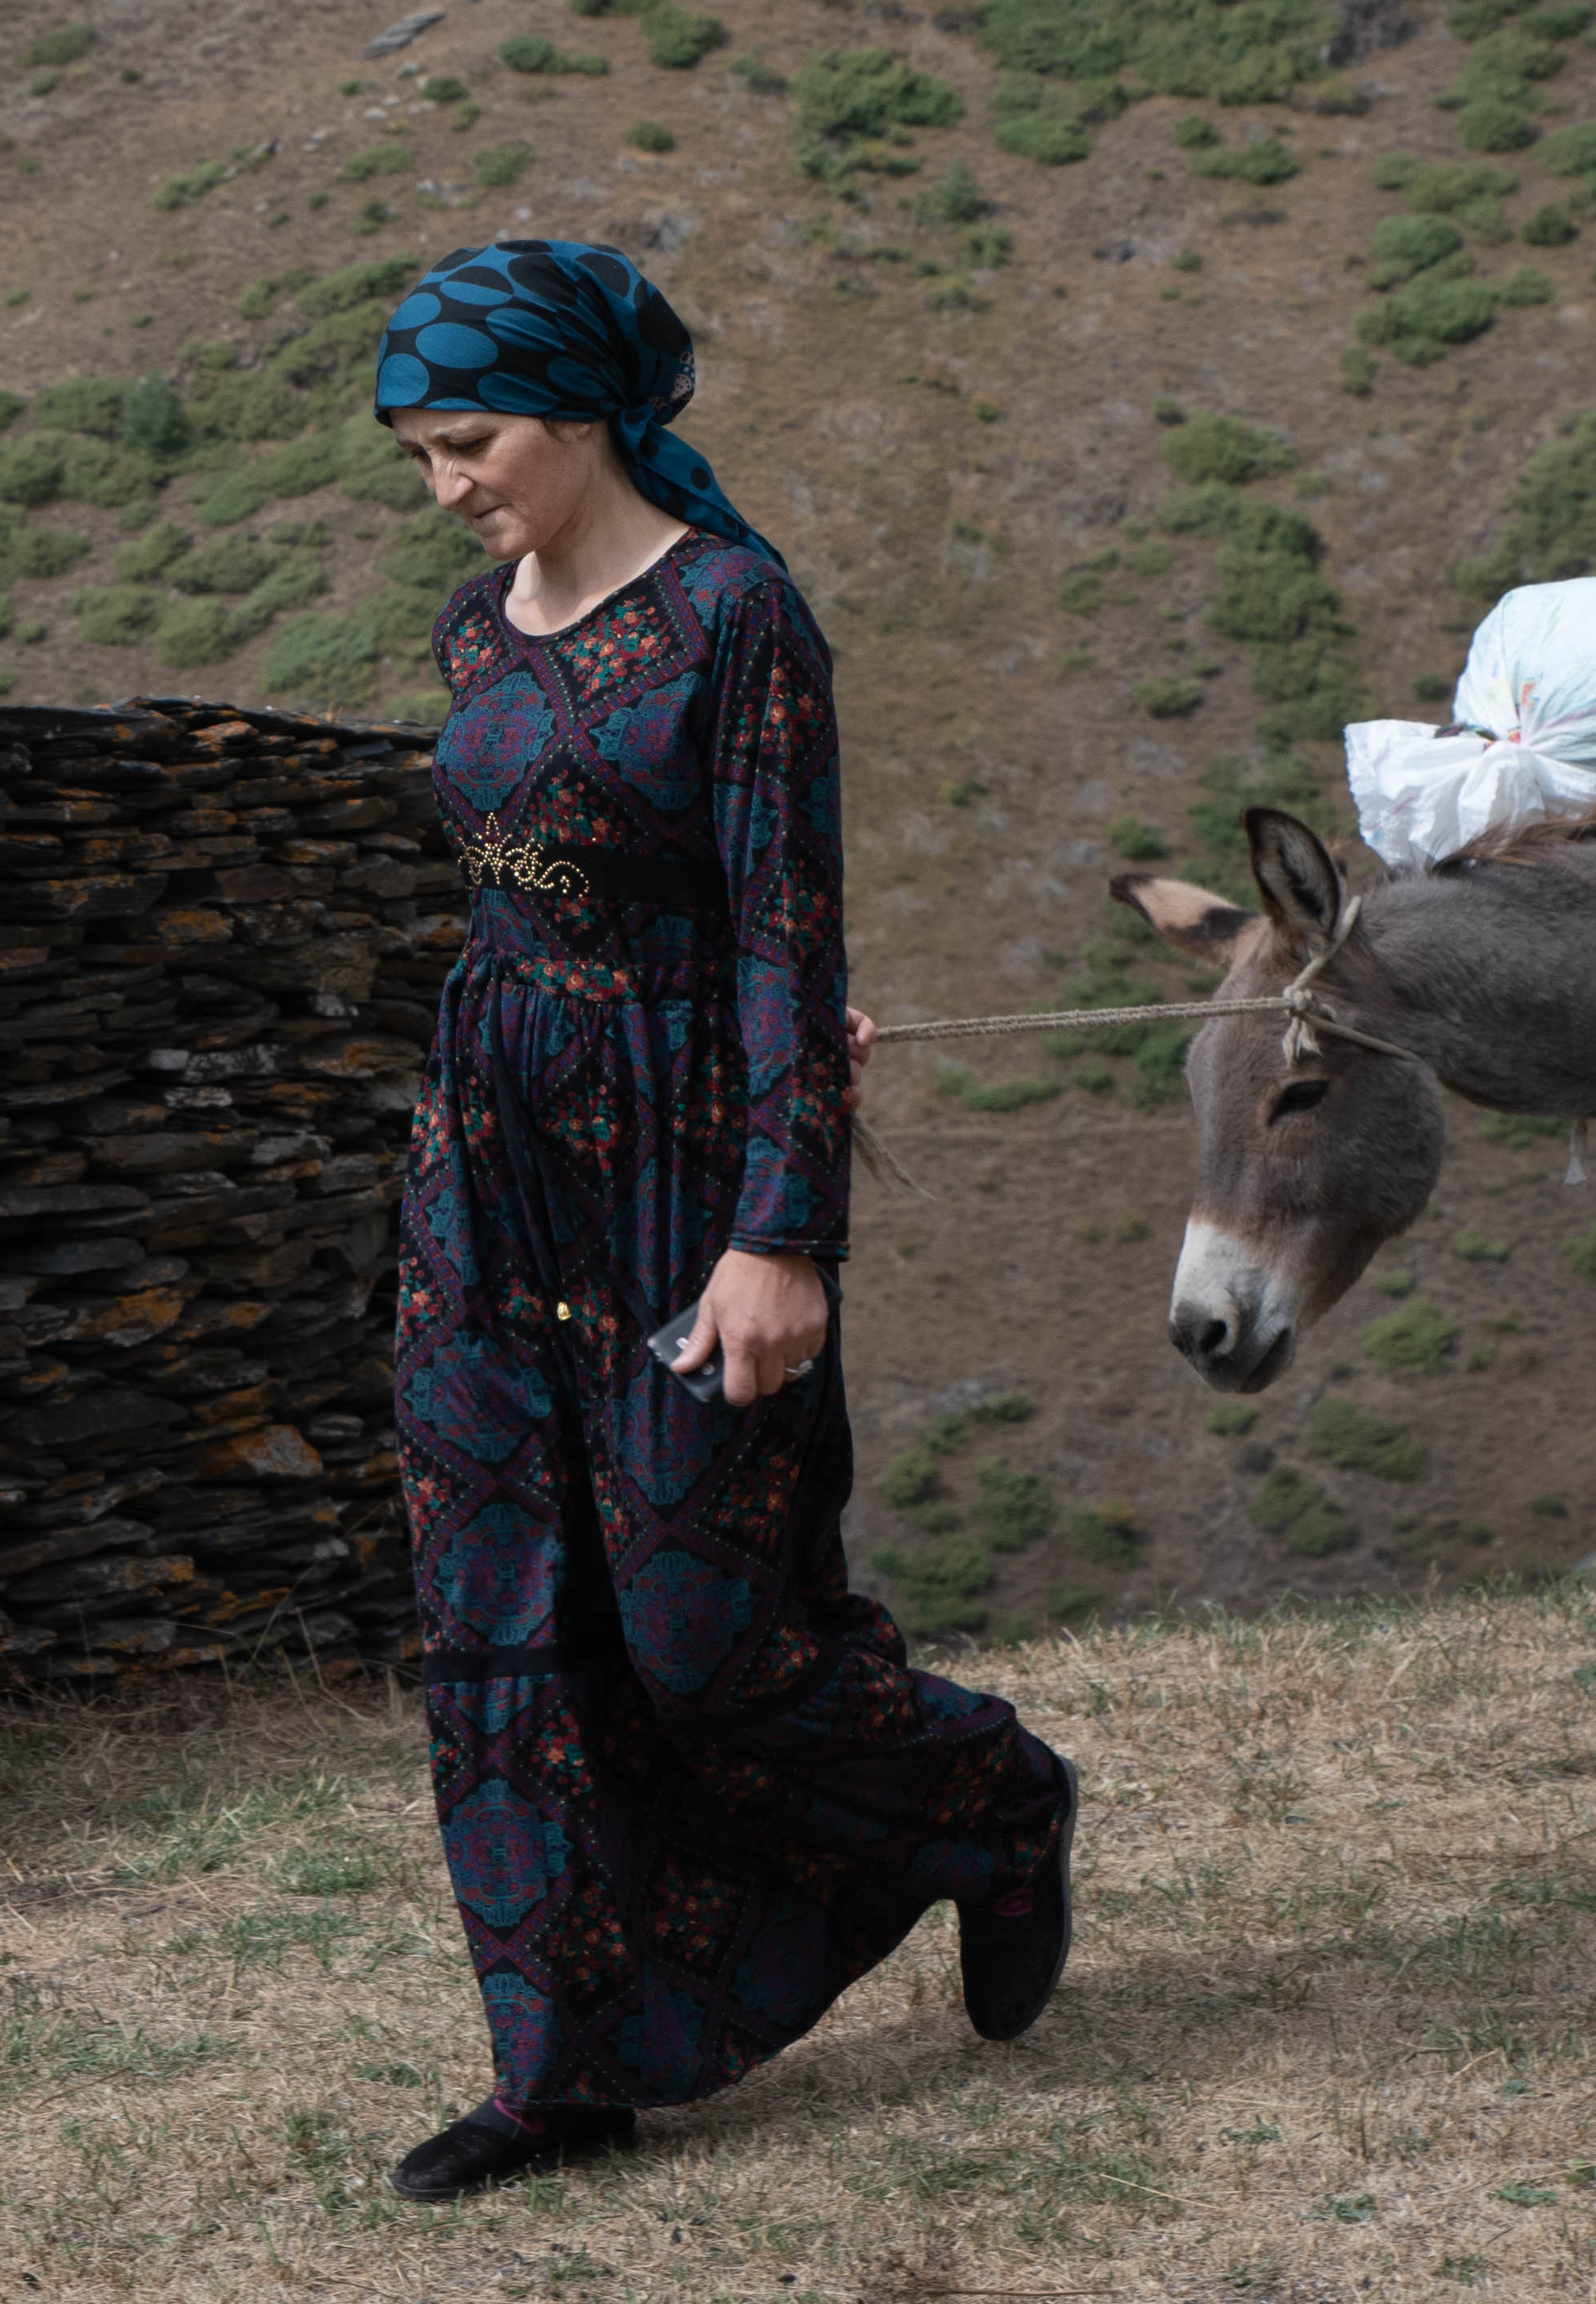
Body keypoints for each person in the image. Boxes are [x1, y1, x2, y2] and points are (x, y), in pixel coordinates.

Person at [368, 239, 1079, 2206]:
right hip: (487, 1177)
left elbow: (784, 932)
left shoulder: (736, 620)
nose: (449, 487)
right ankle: (559, 2062)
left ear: (585, 410)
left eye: (474, 442)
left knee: (705, 1639)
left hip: (685, 1176)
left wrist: (785, 1231)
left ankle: (993, 1802)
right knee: (499, 1621)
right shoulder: (469, 633)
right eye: (421, 456)